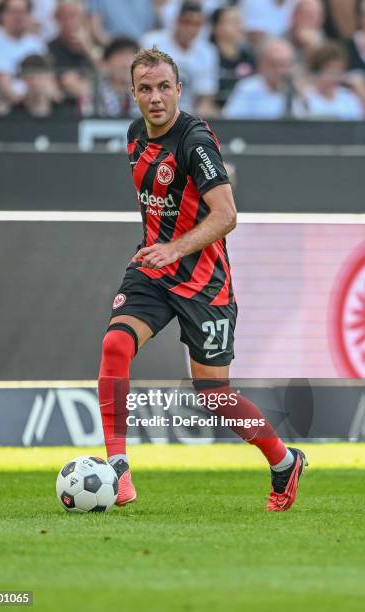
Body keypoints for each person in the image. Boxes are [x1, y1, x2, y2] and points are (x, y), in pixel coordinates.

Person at [98, 47, 307, 512]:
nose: (156, 97)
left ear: (178, 90)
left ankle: (283, 460)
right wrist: (158, 250)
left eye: (164, 87)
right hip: (153, 273)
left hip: (204, 283)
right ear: (132, 93)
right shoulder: (135, 135)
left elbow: (227, 215)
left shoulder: (194, 142)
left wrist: (174, 247)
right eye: (146, 88)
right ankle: (118, 469)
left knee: (213, 397)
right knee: (115, 345)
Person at [142, 1, 219, 115]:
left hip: (190, 117)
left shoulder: (208, 52)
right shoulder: (152, 42)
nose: (191, 29)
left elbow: (206, 98)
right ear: (176, 21)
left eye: (197, 24)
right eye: (186, 22)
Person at [0, 0, 45, 105]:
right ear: (2, 15)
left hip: (34, 100)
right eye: (14, 12)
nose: (19, 17)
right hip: (3, 101)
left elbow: (43, 77)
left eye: (23, 12)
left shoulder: (36, 43)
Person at [222, 38, 304, 119]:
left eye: (285, 65)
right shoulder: (247, 88)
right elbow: (231, 121)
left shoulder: (299, 88)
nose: (280, 71)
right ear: (262, 65)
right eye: (274, 64)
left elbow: (313, 118)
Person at [48, 0, 99, 114]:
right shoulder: (51, 48)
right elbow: (69, 83)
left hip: (97, 107)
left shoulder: (95, 45)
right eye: (65, 17)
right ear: (57, 20)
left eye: (76, 16)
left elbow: (106, 74)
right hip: (63, 109)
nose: (71, 22)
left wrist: (88, 48)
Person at [301, 41, 364, 119]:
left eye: (339, 72)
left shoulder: (349, 99)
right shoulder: (305, 97)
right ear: (316, 72)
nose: (335, 78)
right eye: (330, 72)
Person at [210, 5, 256, 108]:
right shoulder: (208, 56)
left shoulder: (249, 56)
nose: (239, 26)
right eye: (232, 22)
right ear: (216, 28)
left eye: (239, 22)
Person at [97, 36, 140, 118]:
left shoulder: (147, 94)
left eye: (130, 57)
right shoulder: (94, 93)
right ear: (105, 64)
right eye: (120, 57)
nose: (126, 64)